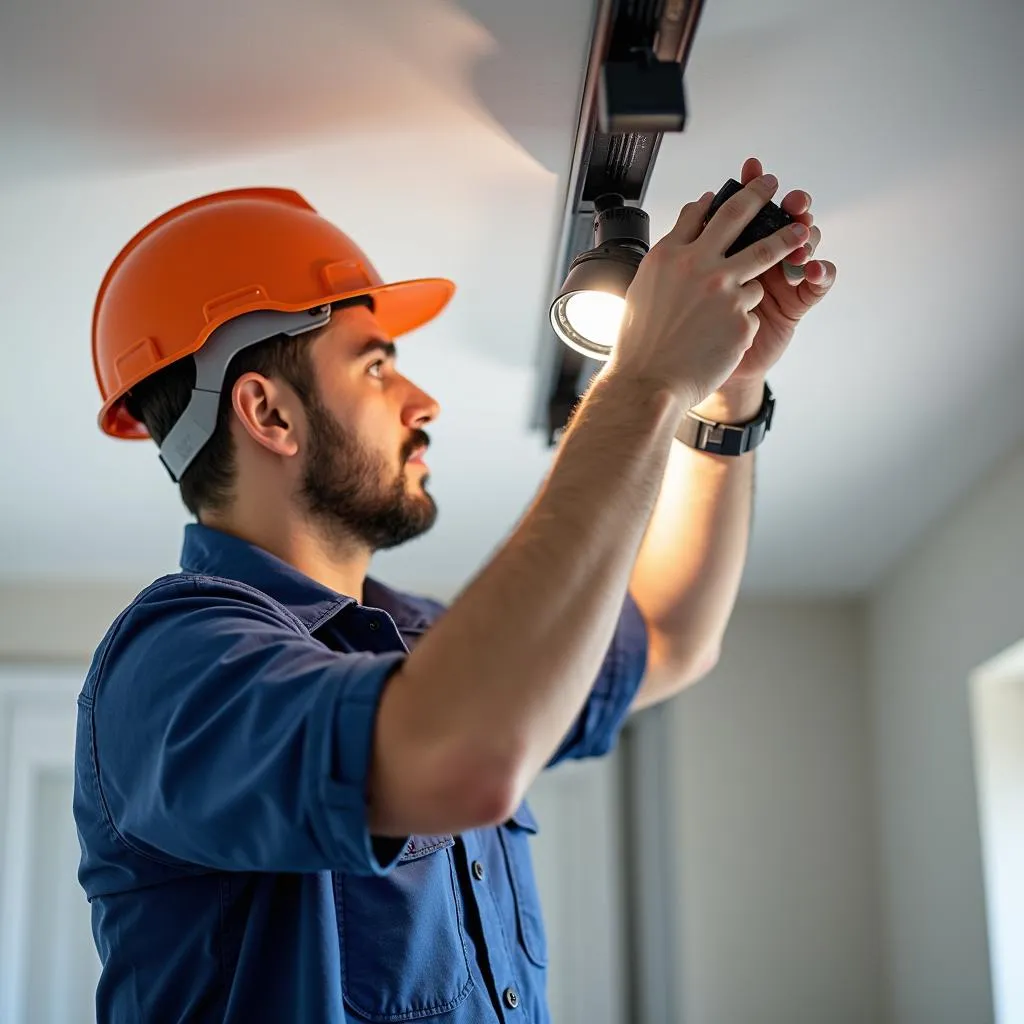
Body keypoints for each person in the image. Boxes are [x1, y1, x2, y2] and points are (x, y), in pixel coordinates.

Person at [74, 158, 835, 1023]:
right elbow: (465, 756)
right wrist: (646, 381)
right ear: (268, 413)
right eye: (374, 367)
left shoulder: (427, 646)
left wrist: (725, 393)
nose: (423, 400)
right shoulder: (171, 666)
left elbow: (669, 635)